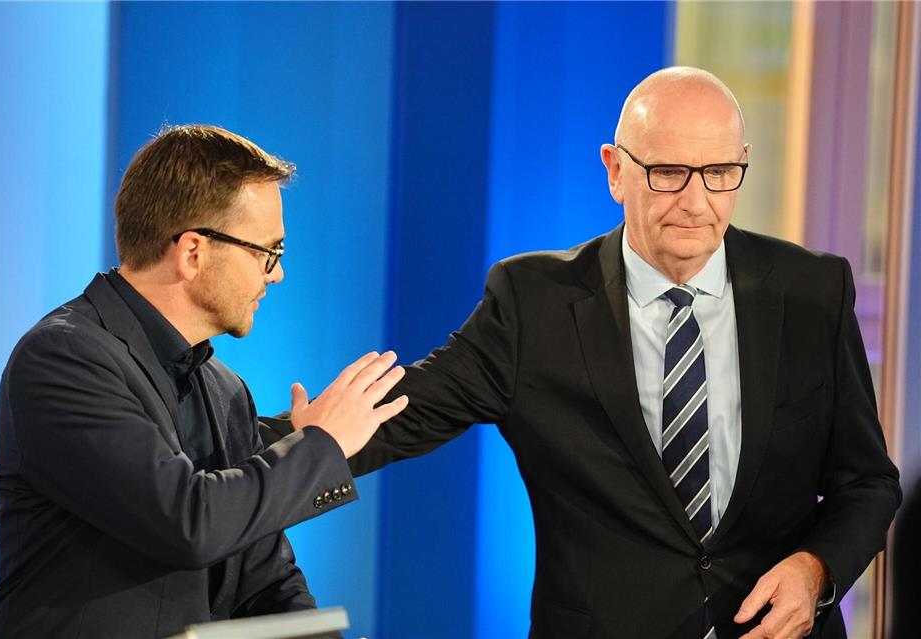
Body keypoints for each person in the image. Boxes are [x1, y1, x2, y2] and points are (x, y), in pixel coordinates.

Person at [341, 68, 902, 638]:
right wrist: (286, 452)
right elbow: (396, 418)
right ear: (615, 171)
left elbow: (867, 483)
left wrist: (817, 570)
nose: (695, 202)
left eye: (718, 173)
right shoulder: (533, 303)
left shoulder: (812, 292)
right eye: (668, 173)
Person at [0, 124, 408, 638]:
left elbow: (263, 582)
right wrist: (322, 444)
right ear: (192, 252)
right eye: (268, 252)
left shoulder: (226, 390)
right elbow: (187, 522)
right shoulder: (64, 357)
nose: (276, 274)